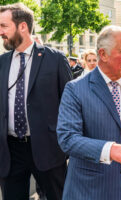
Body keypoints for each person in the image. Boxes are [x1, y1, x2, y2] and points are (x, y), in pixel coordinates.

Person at [56, 25, 121, 200]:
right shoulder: (75, 89)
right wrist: (110, 150)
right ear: (103, 54)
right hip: (90, 189)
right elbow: (67, 138)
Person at [0, 3, 72, 200]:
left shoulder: (55, 59)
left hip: (48, 149)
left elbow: (70, 105)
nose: (0, 32)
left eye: (4, 26)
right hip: (10, 151)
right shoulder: (2, 62)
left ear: (22, 26)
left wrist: (67, 146)